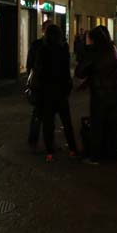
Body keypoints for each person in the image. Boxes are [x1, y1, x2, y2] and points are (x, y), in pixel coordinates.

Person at [31, 22, 79, 162]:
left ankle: (50, 152)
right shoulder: (62, 49)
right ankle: (72, 149)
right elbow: (66, 72)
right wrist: (67, 88)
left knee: (48, 123)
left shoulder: (42, 50)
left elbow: (38, 71)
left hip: (46, 92)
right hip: (61, 91)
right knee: (67, 122)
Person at [75, 25, 117, 164]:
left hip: (100, 95)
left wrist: (87, 48)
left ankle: (96, 156)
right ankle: (112, 154)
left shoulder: (94, 52)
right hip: (113, 93)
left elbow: (80, 72)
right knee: (112, 125)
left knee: (98, 125)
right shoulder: (112, 50)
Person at [26, 19, 53, 150]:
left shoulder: (37, 45)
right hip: (44, 86)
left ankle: (35, 141)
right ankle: (44, 143)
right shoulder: (56, 45)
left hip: (41, 85)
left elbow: (29, 64)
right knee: (43, 115)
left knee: (38, 114)